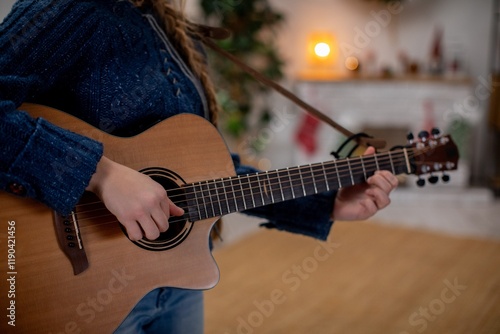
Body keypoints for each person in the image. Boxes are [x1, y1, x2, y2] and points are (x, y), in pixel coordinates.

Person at [0, 0, 398, 332]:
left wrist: (325, 203)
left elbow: (208, 174)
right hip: (78, 287)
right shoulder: (72, 8)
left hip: (178, 278)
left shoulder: (175, 32)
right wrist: (100, 175)